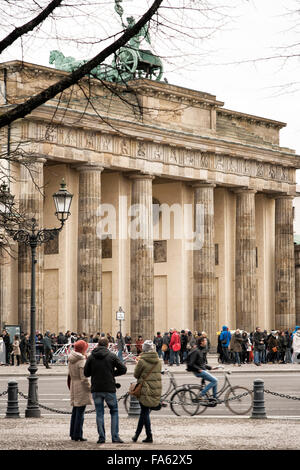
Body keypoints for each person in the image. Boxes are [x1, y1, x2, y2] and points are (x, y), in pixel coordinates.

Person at [84, 337, 127, 444]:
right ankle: (115, 436)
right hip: (109, 388)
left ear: (98, 344)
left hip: (96, 389)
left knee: (99, 413)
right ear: (108, 345)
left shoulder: (91, 357)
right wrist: (112, 373)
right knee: (114, 411)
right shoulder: (112, 356)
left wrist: (94, 372)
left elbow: (86, 373)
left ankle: (101, 437)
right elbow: (123, 369)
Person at [132, 340, 162, 444]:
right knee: (144, 412)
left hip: (145, 389)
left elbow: (136, 375)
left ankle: (149, 436)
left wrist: (137, 364)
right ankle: (136, 435)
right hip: (155, 389)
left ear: (144, 349)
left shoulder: (142, 361)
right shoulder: (158, 361)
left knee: (144, 412)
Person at [68, 340, 92, 442]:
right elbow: (84, 378)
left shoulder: (71, 358)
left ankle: (73, 433)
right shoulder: (81, 361)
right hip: (81, 387)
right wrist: (90, 387)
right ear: (83, 349)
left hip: (74, 384)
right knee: (80, 412)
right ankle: (78, 434)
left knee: (75, 411)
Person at [186, 337, 220, 402]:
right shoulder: (196, 350)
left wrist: (211, 367)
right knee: (215, 381)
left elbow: (201, 363)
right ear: (201, 342)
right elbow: (191, 363)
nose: (206, 342)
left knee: (214, 381)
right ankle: (200, 395)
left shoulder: (200, 350)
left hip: (200, 370)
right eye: (205, 341)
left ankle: (214, 399)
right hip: (197, 371)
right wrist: (199, 369)